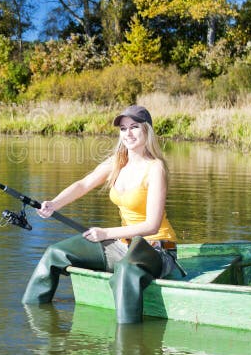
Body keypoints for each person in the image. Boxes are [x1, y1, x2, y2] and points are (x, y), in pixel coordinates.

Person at [22, 105, 179, 307]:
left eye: (134, 127)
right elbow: (83, 184)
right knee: (55, 254)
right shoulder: (117, 162)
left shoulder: (155, 168)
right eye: (123, 128)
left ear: (147, 130)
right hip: (124, 246)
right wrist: (54, 204)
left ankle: (127, 338)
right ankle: (33, 314)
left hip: (158, 250)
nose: (128, 133)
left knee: (125, 272)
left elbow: (152, 226)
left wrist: (106, 234)